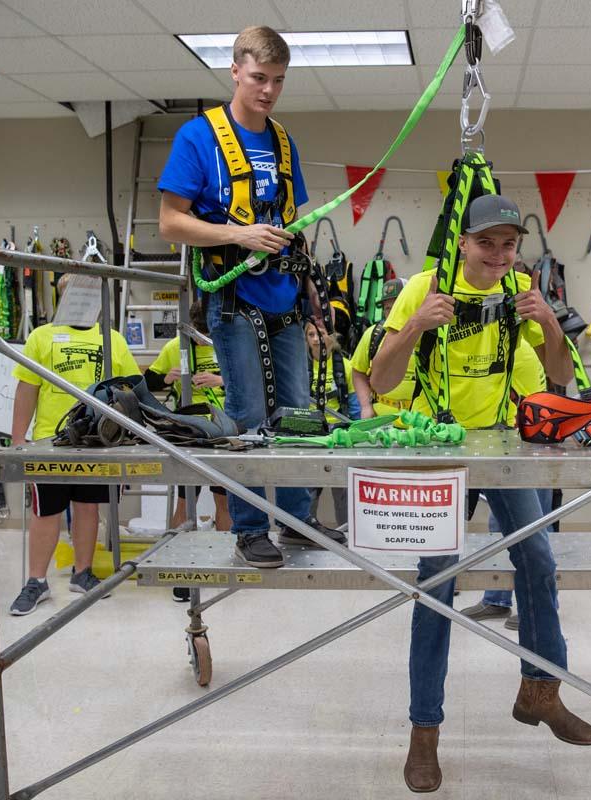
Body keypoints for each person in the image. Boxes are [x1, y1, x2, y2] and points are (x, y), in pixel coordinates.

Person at [371, 194, 591, 793]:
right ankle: (425, 732)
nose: (498, 255)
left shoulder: (520, 291)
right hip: (438, 448)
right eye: (486, 243)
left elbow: (559, 378)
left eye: (508, 244)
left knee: (538, 560)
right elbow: (381, 380)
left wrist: (547, 320)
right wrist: (417, 324)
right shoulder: (425, 286)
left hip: (502, 446)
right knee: (437, 583)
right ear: (463, 243)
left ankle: (541, 692)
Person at [158, 25, 343, 568]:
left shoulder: (283, 142)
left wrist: (311, 292)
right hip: (232, 296)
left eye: (278, 81)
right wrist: (238, 234)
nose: (267, 91)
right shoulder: (198, 137)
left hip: (285, 293)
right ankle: (248, 527)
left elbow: (293, 222)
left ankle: (295, 519)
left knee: (297, 411)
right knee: (246, 413)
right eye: (259, 78)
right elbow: (170, 223)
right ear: (235, 70)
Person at [7, 274, 141, 616]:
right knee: (45, 511)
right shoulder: (42, 337)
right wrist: (19, 439)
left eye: (88, 293)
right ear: (61, 296)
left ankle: (82, 573)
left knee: (88, 508)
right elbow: (27, 389)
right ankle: (36, 581)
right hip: (50, 442)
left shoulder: (111, 339)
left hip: (96, 441)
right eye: (74, 293)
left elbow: (129, 390)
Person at [459, 334, 559, 630]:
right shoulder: (499, 346)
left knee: (536, 530)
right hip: (508, 449)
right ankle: (497, 599)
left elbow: (533, 408)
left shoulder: (518, 351)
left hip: (529, 448)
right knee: (498, 525)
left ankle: (542, 603)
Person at [145, 300, 231, 537]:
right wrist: (167, 379)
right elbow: (147, 382)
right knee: (184, 499)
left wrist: (220, 380)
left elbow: (252, 384)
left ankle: (229, 554)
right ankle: (174, 555)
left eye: (206, 335)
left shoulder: (227, 344)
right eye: (197, 334)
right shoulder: (175, 347)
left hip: (223, 430)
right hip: (190, 431)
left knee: (223, 500)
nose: (202, 340)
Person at [305, 319, 358, 525]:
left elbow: (353, 404)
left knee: (343, 490)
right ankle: (303, 531)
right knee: (308, 491)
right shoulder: (301, 366)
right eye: (311, 335)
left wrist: (355, 433)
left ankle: (347, 531)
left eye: (321, 334)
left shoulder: (345, 365)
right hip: (310, 435)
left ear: (332, 336)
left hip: (339, 434)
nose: (317, 339)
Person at [351, 278, 412, 419]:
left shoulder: (427, 334)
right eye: (387, 308)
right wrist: (366, 406)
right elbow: (358, 373)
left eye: (397, 305)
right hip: (382, 424)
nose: (392, 313)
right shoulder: (373, 334)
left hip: (420, 423)